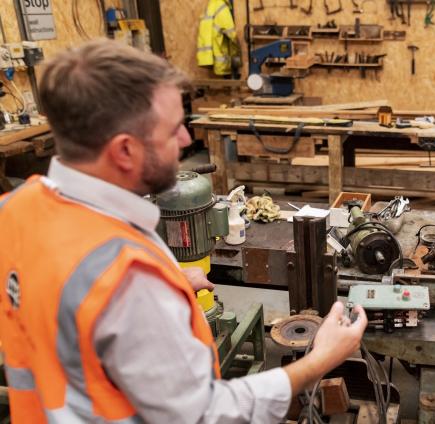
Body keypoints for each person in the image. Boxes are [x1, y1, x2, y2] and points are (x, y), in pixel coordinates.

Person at [0, 39, 367, 423]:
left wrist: (168, 278)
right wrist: (321, 358)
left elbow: (65, 291)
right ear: (124, 150)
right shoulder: (130, 281)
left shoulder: (15, 210)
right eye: (173, 129)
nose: (186, 141)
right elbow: (206, 412)